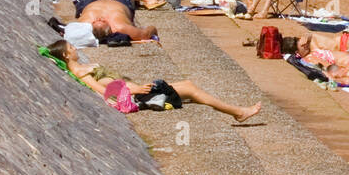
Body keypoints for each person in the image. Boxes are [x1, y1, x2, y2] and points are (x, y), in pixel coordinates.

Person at [50, 40, 261, 124]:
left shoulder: (82, 69)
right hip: (135, 96)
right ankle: (238, 112)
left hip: (135, 91)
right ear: (66, 56)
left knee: (190, 92)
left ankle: (235, 111)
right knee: (189, 88)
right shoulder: (81, 73)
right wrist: (134, 91)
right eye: (71, 48)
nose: (75, 48)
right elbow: (105, 90)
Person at [71, 0, 159, 43]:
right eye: (103, 21)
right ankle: (139, 1)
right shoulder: (119, 27)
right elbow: (145, 34)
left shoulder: (83, 24)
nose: (100, 18)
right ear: (111, 30)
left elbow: (66, 32)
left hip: (89, 4)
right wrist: (153, 29)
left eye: (95, 21)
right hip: (120, 3)